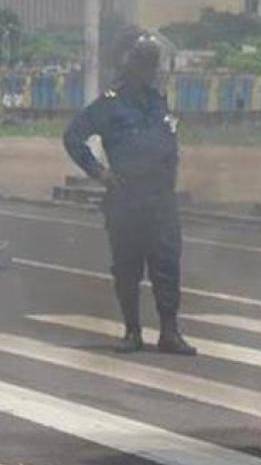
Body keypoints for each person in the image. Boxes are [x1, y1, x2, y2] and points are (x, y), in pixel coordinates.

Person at [62, 31, 196, 355]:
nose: (153, 70)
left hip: (162, 199)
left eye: (155, 64)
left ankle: (169, 332)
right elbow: (73, 137)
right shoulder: (110, 103)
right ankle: (132, 331)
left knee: (167, 266)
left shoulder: (158, 101)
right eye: (148, 63)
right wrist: (100, 173)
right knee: (128, 267)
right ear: (133, 65)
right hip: (127, 198)